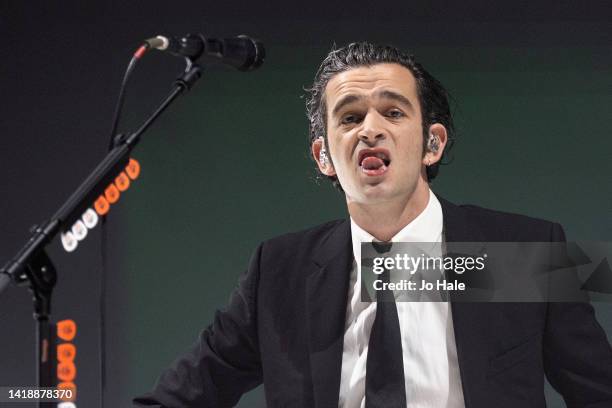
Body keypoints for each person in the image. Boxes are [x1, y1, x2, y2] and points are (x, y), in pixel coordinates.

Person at [133, 42, 612, 407]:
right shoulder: (280, 271)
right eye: (349, 117)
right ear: (324, 156)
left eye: (393, 111)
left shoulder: (519, 254)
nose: (370, 128)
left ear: (433, 144)